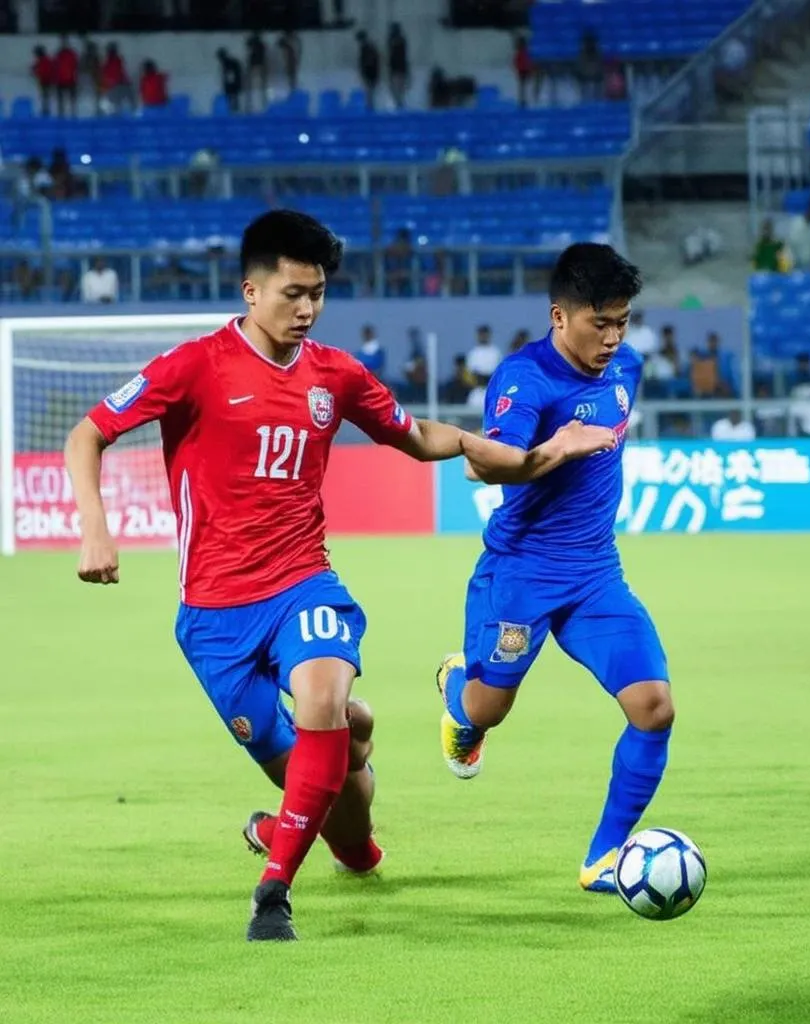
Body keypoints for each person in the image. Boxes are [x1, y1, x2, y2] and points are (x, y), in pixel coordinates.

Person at [64, 210, 611, 943]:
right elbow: (89, 432)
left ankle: (273, 893)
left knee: (321, 698)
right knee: (327, 792)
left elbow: (417, 437)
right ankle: (355, 840)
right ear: (250, 291)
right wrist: (95, 526)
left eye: (317, 293)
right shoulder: (194, 366)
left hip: (303, 582)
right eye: (292, 292)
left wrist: (537, 453)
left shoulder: (334, 374)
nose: (307, 308)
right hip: (213, 617)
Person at [434, 243, 674, 896]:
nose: (614, 337)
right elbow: (484, 465)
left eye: (622, 322)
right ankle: (458, 689)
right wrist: (556, 449)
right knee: (488, 709)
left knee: (653, 707)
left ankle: (603, 857)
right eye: (601, 323)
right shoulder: (523, 379)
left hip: (597, 575)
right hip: (521, 574)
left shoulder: (625, 366)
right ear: (559, 317)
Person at [387, 23, 409, 109]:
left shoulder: (398, 41)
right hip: (397, 69)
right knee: (396, 88)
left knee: (398, 88)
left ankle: (399, 103)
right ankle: (399, 103)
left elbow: (398, 56)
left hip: (398, 69)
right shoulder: (393, 40)